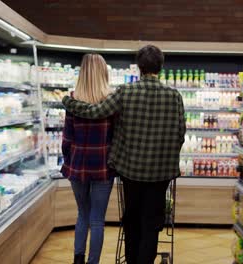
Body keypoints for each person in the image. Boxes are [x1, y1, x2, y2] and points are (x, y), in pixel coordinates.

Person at [62, 45, 186, 264]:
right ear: (161, 67)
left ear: (139, 67)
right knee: (152, 221)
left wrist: (68, 101)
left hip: (131, 171)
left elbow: (94, 112)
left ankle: (130, 260)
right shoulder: (174, 96)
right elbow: (180, 133)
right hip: (161, 173)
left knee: (132, 218)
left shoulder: (125, 92)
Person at [60, 54, 115, 264]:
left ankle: (78, 259)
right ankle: (93, 261)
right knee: (97, 219)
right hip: (102, 167)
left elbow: (67, 139)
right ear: (104, 73)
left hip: (78, 167)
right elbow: (115, 137)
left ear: (82, 73)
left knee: (82, 214)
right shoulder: (111, 101)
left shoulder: (73, 100)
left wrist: (69, 161)